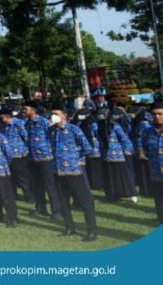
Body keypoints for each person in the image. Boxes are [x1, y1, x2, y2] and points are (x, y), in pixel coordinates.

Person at [48, 104, 97, 242]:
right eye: (52, 113)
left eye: (56, 113)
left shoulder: (74, 129)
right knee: (63, 202)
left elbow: (87, 147)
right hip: (58, 171)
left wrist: (76, 158)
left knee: (85, 202)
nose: (53, 116)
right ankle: (69, 227)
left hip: (74, 171)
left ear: (64, 115)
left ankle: (92, 231)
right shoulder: (51, 131)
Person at [23, 100, 62, 220]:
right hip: (32, 158)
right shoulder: (27, 123)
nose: (23, 111)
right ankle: (40, 208)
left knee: (50, 186)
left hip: (45, 158)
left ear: (33, 110)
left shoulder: (44, 122)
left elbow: (53, 136)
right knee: (36, 185)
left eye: (26, 109)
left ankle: (57, 211)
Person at [97, 108, 137, 202]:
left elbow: (124, 139)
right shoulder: (100, 126)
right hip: (106, 156)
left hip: (118, 156)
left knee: (123, 176)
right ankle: (112, 196)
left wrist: (128, 151)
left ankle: (132, 194)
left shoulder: (115, 126)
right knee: (110, 177)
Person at [0, 108, 32, 202]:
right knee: (11, 178)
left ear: (7, 116)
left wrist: (24, 149)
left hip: (19, 155)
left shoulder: (19, 123)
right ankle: (13, 195)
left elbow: (26, 137)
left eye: (2, 117)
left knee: (22, 178)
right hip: (9, 156)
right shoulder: (5, 126)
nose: (1, 119)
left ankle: (29, 196)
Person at [142, 101, 163, 225]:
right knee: (160, 207)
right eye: (154, 114)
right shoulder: (147, 132)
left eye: (160, 114)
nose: (157, 117)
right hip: (157, 177)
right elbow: (146, 149)